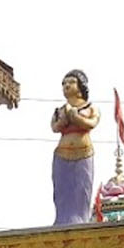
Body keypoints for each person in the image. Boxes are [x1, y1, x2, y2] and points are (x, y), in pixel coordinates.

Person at [50, 69, 101, 225]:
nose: (66, 85)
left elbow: (91, 123)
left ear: (81, 86)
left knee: (81, 188)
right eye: (64, 83)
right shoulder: (59, 111)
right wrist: (64, 119)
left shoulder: (91, 108)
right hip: (62, 152)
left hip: (83, 152)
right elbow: (54, 127)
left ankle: (80, 219)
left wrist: (75, 117)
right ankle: (61, 219)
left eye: (71, 82)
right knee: (62, 189)